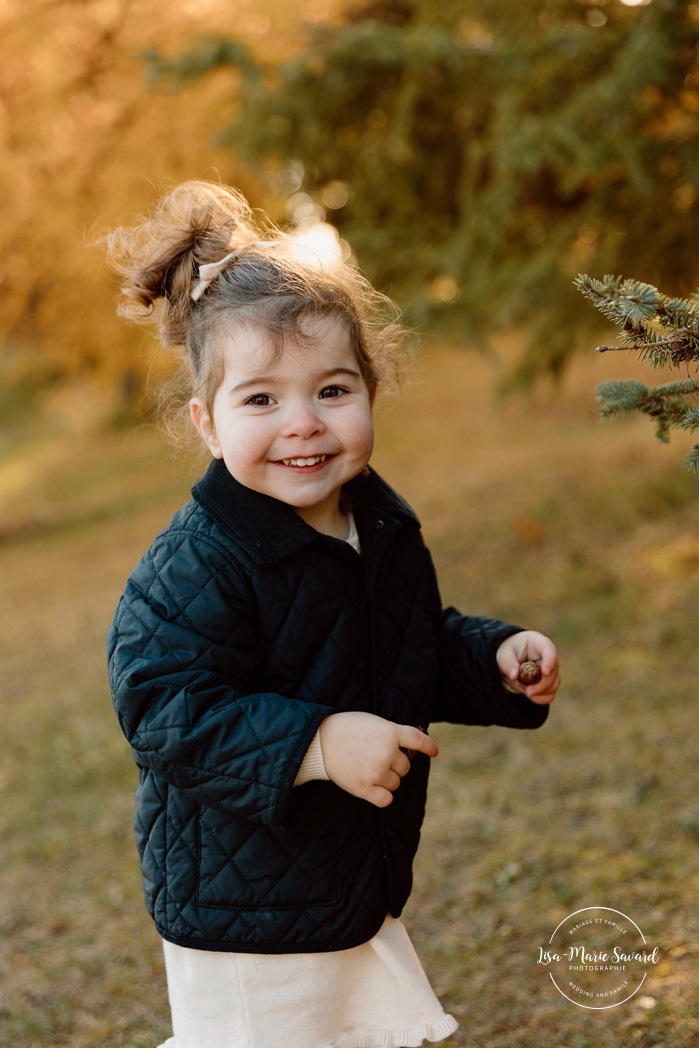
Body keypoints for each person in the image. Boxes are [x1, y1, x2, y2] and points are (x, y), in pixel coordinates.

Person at [105, 180, 560, 1048]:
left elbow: (407, 645)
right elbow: (163, 707)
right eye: (261, 400)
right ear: (206, 422)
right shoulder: (201, 560)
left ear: (371, 391)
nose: (303, 425)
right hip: (245, 900)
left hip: (342, 873)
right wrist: (316, 744)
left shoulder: (375, 524)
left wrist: (493, 659)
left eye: (332, 390)